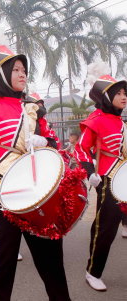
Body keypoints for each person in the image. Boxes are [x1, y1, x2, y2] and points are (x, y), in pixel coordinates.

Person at [0, 45, 70, 301]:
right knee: (5, 252)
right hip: (0, 181)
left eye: (24, 70)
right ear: (2, 74)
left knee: (49, 247)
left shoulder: (33, 108)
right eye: (16, 69)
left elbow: (53, 142)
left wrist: (44, 142)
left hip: (35, 181)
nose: (23, 74)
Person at [75, 70, 127, 291]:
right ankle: (93, 272)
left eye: (125, 93)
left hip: (124, 176)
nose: (124, 97)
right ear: (107, 96)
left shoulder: (120, 120)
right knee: (106, 229)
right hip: (108, 180)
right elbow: (80, 150)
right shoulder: (95, 120)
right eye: (119, 93)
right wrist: (90, 172)